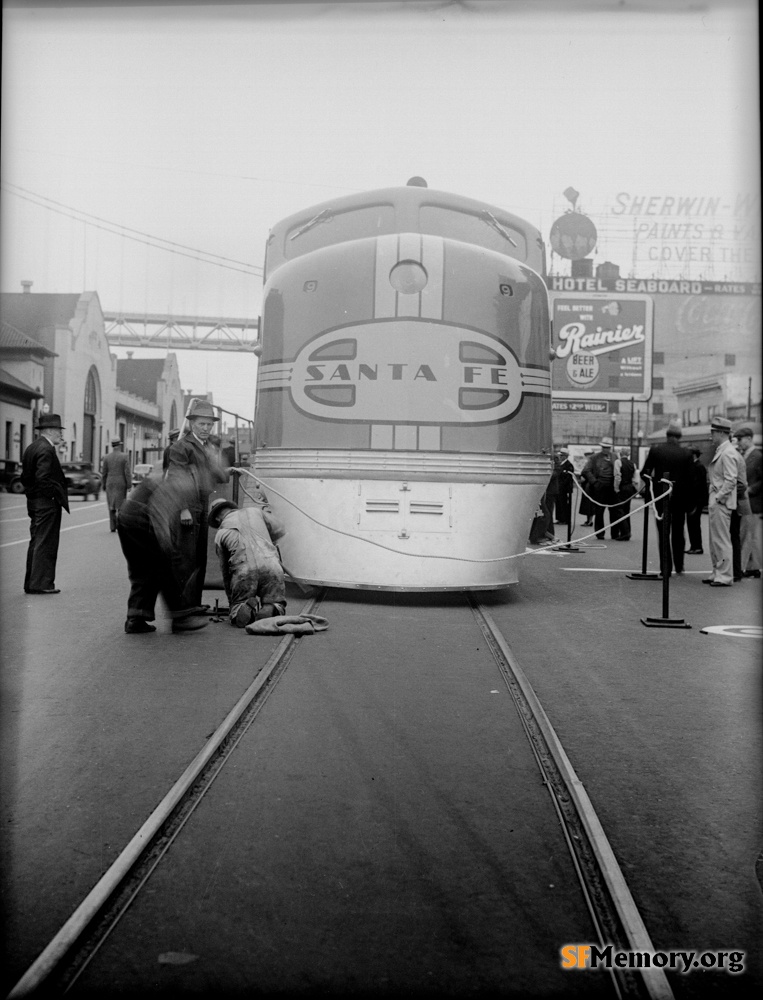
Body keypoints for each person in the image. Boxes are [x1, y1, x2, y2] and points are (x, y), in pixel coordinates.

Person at [117, 475, 210, 633]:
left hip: (126, 515)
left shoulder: (173, 477)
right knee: (164, 567)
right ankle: (180, 617)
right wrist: (166, 545)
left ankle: (135, 617)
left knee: (143, 569)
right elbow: (160, 512)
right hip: (141, 517)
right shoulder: (182, 484)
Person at [165, 400, 229, 607]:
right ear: (192, 424)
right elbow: (176, 479)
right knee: (186, 559)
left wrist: (218, 461)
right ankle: (183, 609)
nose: (205, 428)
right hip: (187, 507)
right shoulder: (181, 447)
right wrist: (183, 509)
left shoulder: (204, 448)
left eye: (209, 425)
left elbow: (220, 476)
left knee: (199, 557)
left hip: (201, 504)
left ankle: (194, 604)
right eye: (202, 424)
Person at [209, 496, 287, 627]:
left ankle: (242, 609)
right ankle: (271, 607)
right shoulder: (254, 511)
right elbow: (280, 529)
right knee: (275, 600)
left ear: (217, 518)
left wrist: (232, 602)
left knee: (238, 605)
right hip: (271, 563)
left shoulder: (220, 533)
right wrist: (267, 540)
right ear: (231, 507)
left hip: (244, 570)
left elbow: (225, 572)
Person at [20, 412, 69, 594]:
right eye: (58, 431)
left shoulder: (32, 447)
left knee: (36, 541)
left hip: (34, 502)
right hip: (46, 504)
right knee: (46, 543)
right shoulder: (46, 450)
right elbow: (43, 478)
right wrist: (53, 496)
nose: (60, 434)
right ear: (49, 430)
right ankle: (42, 584)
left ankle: (32, 582)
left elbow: (26, 477)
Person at [640, 421, 693, 576]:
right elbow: (690, 481)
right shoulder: (687, 454)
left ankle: (666, 568)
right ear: (679, 437)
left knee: (663, 533)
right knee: (678, 532)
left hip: (661, 497)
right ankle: (679, 565)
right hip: (680, 499)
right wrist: (690, 502)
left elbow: (645, 473)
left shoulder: (656, 451)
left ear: (667, 435)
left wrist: (654, 487)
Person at [703, 416, 738, 587]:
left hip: (721, 501)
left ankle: (724, 575)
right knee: (714, 540)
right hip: (718, 500)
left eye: (713, 432)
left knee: (721, 540)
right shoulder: (723, 450)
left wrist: (718, 497)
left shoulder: (728, 452)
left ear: (721, 433)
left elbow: (731, 480)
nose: (712, 436)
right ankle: (717, 571)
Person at [734, 426, 762, 578]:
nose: (739, 442)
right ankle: (752, 567)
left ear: (749, 439)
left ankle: (749, 567)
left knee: (748, 535)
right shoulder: (745, 455)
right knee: (748, 535)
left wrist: (751, 489)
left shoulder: (757, 456)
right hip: (748, 502)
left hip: (753, 502)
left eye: (741, 439)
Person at [581, 436, 617, 540]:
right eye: (604, 447)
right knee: (599, 511)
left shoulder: (615, 456)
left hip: (612, 487)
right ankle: (600, 533)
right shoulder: (594, 457)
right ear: (601, 447)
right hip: (600, 487)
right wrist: (595, 482)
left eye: (608, 447)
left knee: (614, 511)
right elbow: (586, 470)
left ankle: (615, 533)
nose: (606, 449)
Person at [101, 437, 132, 532]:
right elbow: (127, 472)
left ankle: (112, 526)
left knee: (111, 505)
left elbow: (104, 472)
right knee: (121, 505)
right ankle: (121, 525)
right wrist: (129, 484)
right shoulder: (124, 456)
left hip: (110, 483)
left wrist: (103, 484)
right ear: (119, 445)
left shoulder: (106, 457)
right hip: (121, 483)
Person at [685, 448, 709, 555]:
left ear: (694, 455)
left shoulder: (698, 467)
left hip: (695, 500)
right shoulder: (697, 466)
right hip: (694, 499)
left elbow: (697, 485)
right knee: (692, 523)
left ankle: (697, 546)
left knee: (693, 523)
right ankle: (694, 546)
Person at [610, 448, 637, 540]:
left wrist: (616, 488)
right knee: (626, 510)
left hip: (622, 487)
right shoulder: (633, 464)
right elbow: (634, 477)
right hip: (630, 487)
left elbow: (617, 476)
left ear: (620, 454)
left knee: (619, 510)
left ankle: (625, 532)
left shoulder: (618, 462)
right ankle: (627, 531)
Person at [554, 448, 574, 525]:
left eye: (561, 455)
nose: (560, 457)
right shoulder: (560, 464)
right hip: (559, 488)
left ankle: (565, 519)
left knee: (564, 504)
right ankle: (559, 518)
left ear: (565, 456)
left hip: (565, 489)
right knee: (559, 503)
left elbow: (567, 478)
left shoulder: (568, 465)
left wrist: (561, 485)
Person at [578, 450, 595, 525]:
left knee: (589, 504)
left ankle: (590, 520)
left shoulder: (591, 464)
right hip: (586, 485)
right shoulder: (589, 464)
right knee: (587, 504)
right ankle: (589, 520)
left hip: (589, 485)